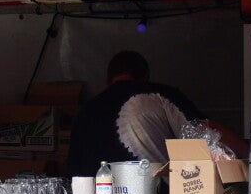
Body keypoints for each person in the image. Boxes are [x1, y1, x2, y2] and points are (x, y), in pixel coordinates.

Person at [67, 50, 204, 178]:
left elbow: (74, 171)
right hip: (155, 193)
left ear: (107, 81)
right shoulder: (160, 95)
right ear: (146, 77)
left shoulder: (84, 112)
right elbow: (208, 137)